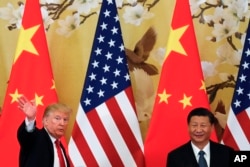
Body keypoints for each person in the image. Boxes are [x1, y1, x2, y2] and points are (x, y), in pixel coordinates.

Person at [166, 107, 234, 167]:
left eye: (203, 125)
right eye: (194, 125)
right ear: (188, 127)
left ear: (212, 127)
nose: (198, 130)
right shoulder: (175, 157)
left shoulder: (227, 153)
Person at [17, 96, 72, 167]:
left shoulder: (60, 147)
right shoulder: (36, 137)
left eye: (65, 120)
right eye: (57, 118)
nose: (62, 123)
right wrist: (30, 119)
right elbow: (26, 135)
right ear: (45, 120)